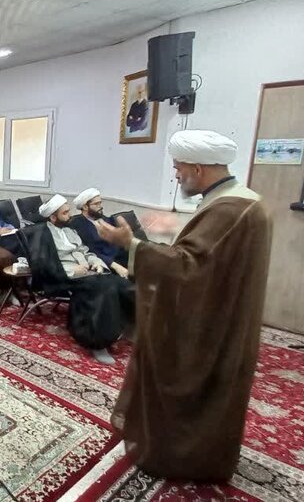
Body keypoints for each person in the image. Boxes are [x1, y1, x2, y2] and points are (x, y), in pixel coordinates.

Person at [96, 130, 272, 481]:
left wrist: (131, 244)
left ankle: (179, 458)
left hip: (208, 320)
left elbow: (186, 266)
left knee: (190, 386)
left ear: (197, 168)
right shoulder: (244, 200)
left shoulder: (228, 210)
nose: (176, 175)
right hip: (221, 311)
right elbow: (204, 260)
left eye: (178, 168)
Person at [40, 194, 133, 364]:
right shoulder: (43, 235)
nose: (70, 216)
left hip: (88, 271)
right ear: (53, 217)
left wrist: (96, 262)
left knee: (123, 284)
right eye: (65, 213)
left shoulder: (70, 231)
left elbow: (85, 251)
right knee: (105, 290)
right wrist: (73, 270)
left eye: (68, 211)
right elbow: (44, 264)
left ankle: (124, 328)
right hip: (67, 276)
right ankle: (98, 342)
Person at [69, 188, 129, 276]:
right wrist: (115, 266)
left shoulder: (105, 219)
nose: (100, 206)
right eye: (96, 204)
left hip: (122, 257)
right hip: (106, 264)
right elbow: (90, 251)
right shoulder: (78, 224)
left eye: (100, 203)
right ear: (85, 207)